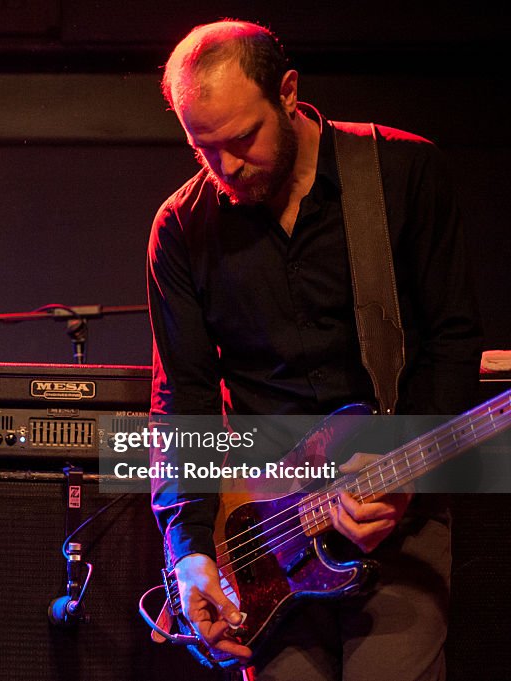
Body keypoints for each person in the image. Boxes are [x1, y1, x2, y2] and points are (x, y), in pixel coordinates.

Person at [147, 20, 481, 680]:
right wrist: (188, 550)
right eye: (202, 150)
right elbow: (180, 403)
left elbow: (452, 341)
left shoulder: (402, 173)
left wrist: (407, 474)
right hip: (266, 537)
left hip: (396, 515)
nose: (227, 168)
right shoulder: (182, 227)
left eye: (243, 139)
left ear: (289, 93)